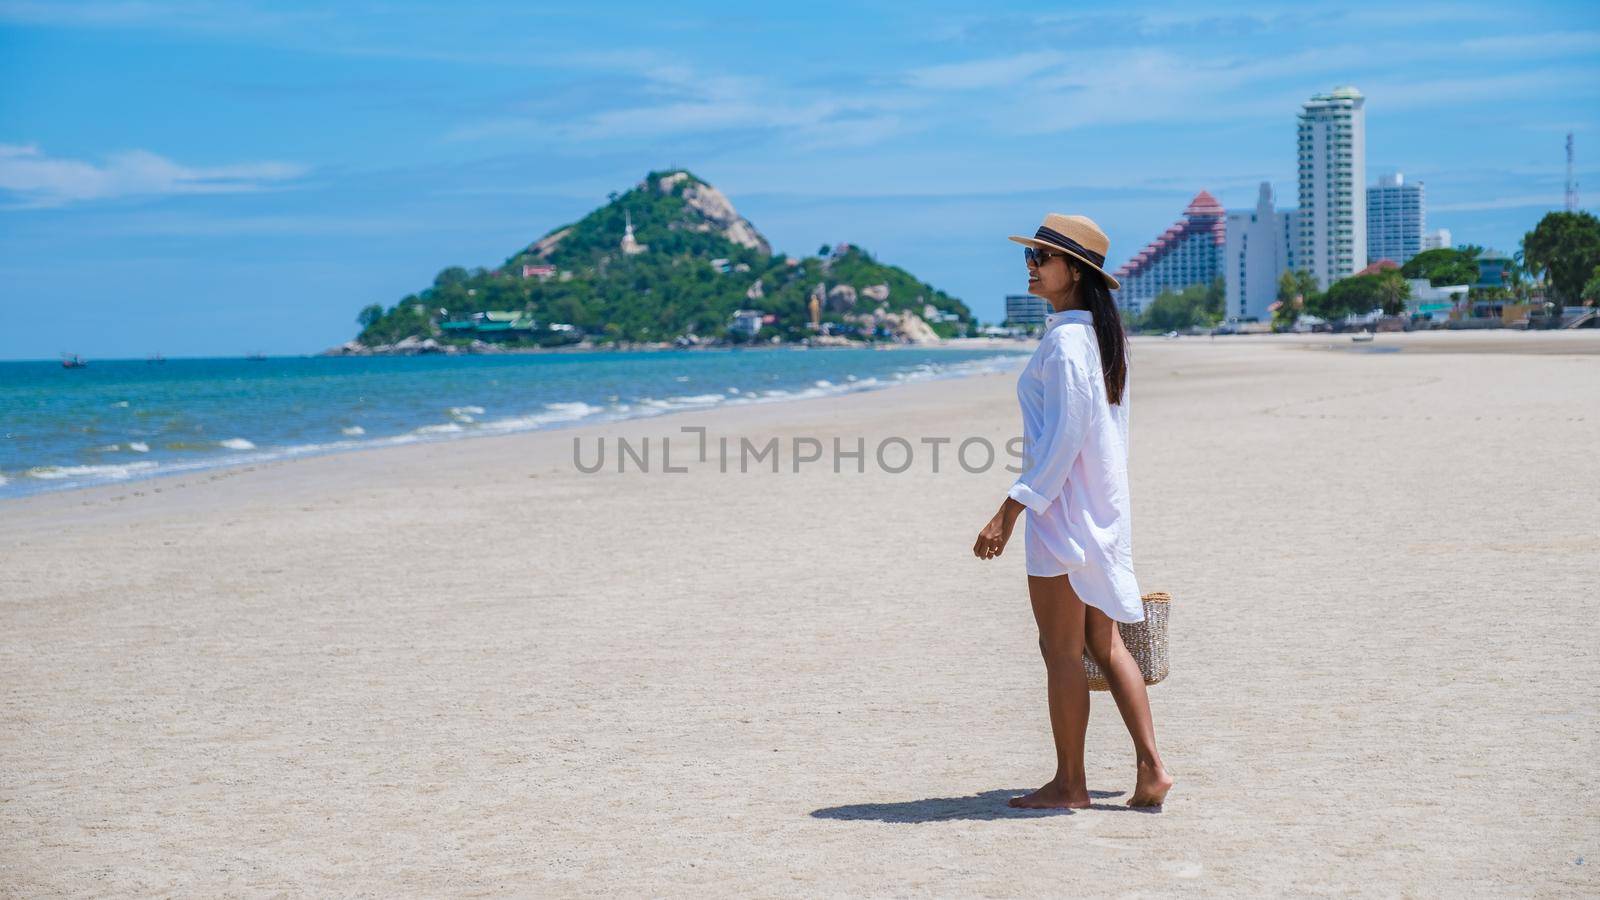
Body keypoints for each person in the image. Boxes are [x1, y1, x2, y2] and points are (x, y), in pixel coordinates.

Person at [972, 213, 1173, 809]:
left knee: (1062, 653)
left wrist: (1009, 510)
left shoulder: (1065, 342)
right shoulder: (1095, 339)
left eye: (1042, 258)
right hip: (1099, 513)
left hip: (1063, 518)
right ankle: (1151, 770)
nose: (1031, 268)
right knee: (1105, 648)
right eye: (1028, 258)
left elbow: (1063, 439)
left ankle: (1070, 783)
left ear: (1075, 271)